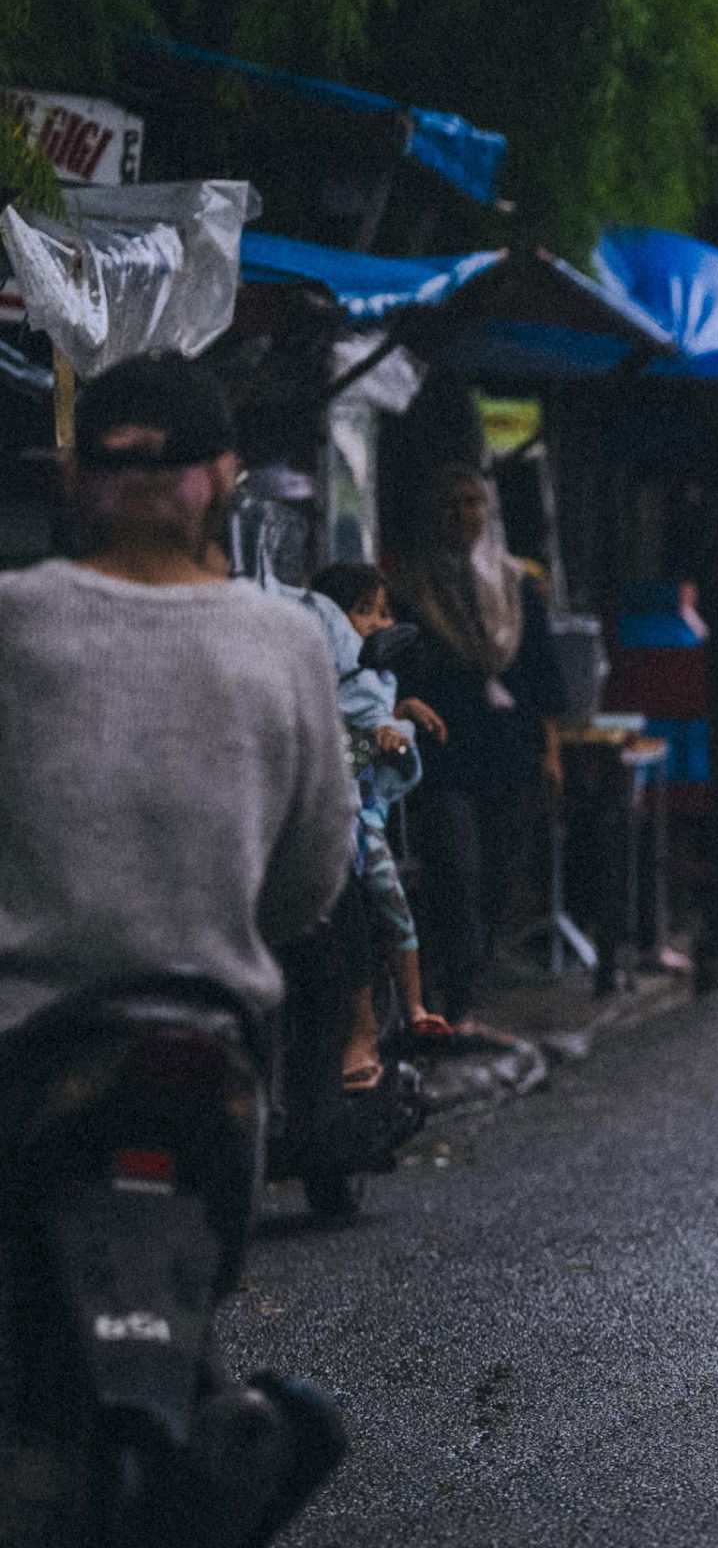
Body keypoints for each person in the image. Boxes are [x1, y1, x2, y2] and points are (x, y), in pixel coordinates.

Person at [0, 357, 354, 1045]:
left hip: (27, 1030)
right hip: (215, 1025)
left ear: (73, 473)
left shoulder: (14, 618)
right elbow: (315, 869)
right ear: (224, 478)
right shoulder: (289, 640)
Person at [391, 463, 568, 1019]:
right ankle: (457, 995)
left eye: (473, 503)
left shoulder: (517, 585)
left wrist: (551, 749)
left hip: (511, 750)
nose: (463, 515)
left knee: (498, 875)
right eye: (451, 504)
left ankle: (471, 981)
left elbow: (542, 676)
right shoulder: (410, 592)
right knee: (455, 872)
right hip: (445, 754)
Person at [310, 562, 454, 1082]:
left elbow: (359, 732)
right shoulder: (313, 673)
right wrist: (374, 737)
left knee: (382, 891)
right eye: (362, 611)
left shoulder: (367, 678)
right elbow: (317, 755)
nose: (375, 623)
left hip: (354, 816)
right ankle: (362, 1025)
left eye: (381, 612)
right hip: (312, 816)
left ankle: (398, 1016)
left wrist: (397, 714)